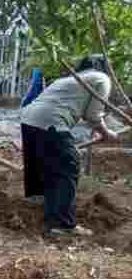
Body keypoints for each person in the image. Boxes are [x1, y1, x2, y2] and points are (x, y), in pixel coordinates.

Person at [20, 55, 119, 237]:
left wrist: (100, 130)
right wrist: (107, 134)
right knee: (67, 167)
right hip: (51, 121)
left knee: (46, 165)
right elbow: (93, 115)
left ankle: (40, 201)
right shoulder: (101, 78)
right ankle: (62, 225)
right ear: (105, 67)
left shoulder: (69, 78)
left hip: (28, 118)